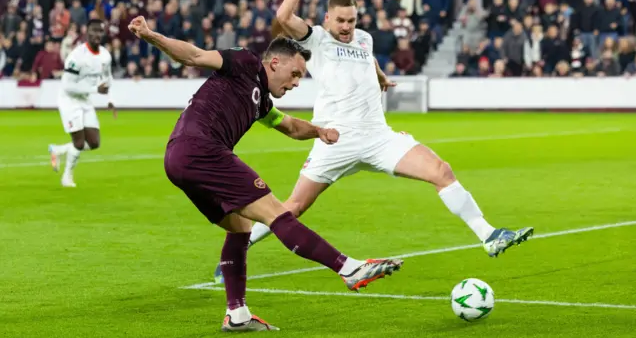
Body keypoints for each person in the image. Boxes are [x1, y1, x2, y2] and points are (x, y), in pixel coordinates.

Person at [215, 0, 534, 284]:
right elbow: (283, 17)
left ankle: (488, 235)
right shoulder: (317, 40)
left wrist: (380, 78)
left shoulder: (364, 38)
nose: (346, 27)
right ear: (328, 18)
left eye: (351, 20)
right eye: (340, 20)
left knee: (441, 170)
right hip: (335, 140)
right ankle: (242, 246)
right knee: (293, 208)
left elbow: (367, 61)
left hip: (378, 137)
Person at [127, 16, 403, 332]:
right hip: (200, 147)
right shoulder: (243, 61)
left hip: (178, 158)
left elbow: (287, 125)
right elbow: (194, 55)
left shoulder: (261, 101)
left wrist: (319, 131)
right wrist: (150, 34)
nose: (297, 82)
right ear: (273, 63)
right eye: (295, 73)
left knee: (240, 226)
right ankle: (348, 268)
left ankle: (237, 315)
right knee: (276, 212)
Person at [48, 19, 116, 188]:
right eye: (93, 31)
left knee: (94, 143)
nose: (97, 34)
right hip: (69, 100)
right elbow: (67, 86)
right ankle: (67, 177)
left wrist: (110, 99)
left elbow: (108, 79)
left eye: (100, 31)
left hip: (84, 99)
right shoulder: (76, 56)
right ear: (87, 32)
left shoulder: (105, 56)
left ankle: (59, 150)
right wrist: (95, 90)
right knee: (79, 143)